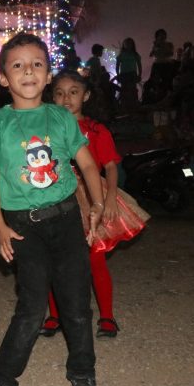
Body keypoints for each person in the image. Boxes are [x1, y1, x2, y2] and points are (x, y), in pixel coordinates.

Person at [0, 32, 106, 386]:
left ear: (48, 75)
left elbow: (86, 162)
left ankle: (83, 371)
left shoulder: (61, 117)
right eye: (17, 65)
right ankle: (1, 380)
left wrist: (96, 203)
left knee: (77, 303)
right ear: (3, 78)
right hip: (22, 225)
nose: (28, 71)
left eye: (36, 64)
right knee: (32, 306)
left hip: (66, 220)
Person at [39, 71, 151, 340]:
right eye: (59, 92)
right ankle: (55, 314)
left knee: (95, 259)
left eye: (74, 92)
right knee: (54, 260)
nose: (66, 98)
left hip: (91, 196)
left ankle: (107, 316)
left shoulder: (97, 130)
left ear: (86, 96)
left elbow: (111, 166)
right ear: (51, 96)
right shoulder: (45, 129)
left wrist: (110, 197)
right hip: (56, 195)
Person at [115, 38, 142, 110]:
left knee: (133, 90)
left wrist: (139, 75)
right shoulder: (121, 55)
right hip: (124, 75)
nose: (128, 45)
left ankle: (133, 106)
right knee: (124, 90)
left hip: (132, 75)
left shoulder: (135, 54)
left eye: (130, 43)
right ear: (124, 45)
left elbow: (139, 65)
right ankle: (124, 107)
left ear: (132, 45)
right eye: (126, 43)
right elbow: (117, 65)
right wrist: (118, 75)